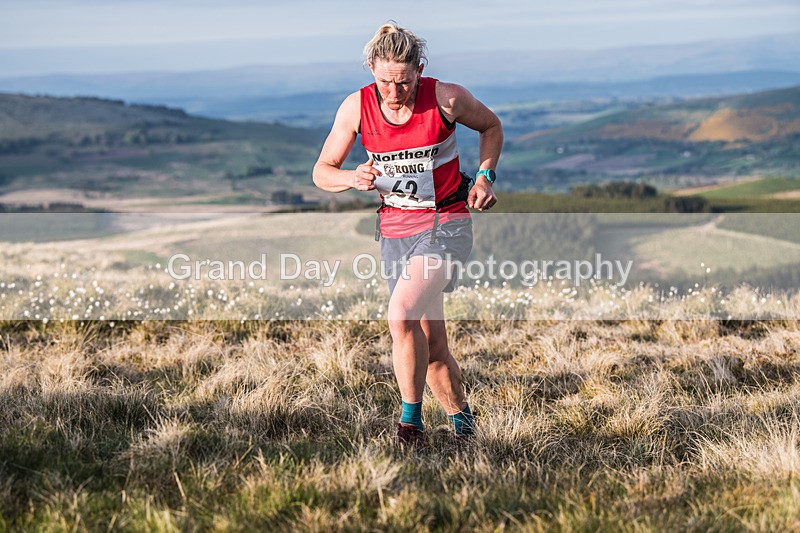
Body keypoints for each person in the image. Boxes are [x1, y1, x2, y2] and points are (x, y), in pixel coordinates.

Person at [312, 22, 503, 447]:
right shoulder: (356, 107)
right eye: (385, 82)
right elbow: (321, 172)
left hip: (446, 223)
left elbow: (491, 126)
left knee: (400, 316)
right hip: (395, 230)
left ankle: (409, 425)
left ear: (420, 70)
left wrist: (485, 176)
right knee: (431, 347)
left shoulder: (447, 98)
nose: (394, 92)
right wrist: (351, 177)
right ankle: (465, 428)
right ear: (371, 69)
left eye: (404, 82)